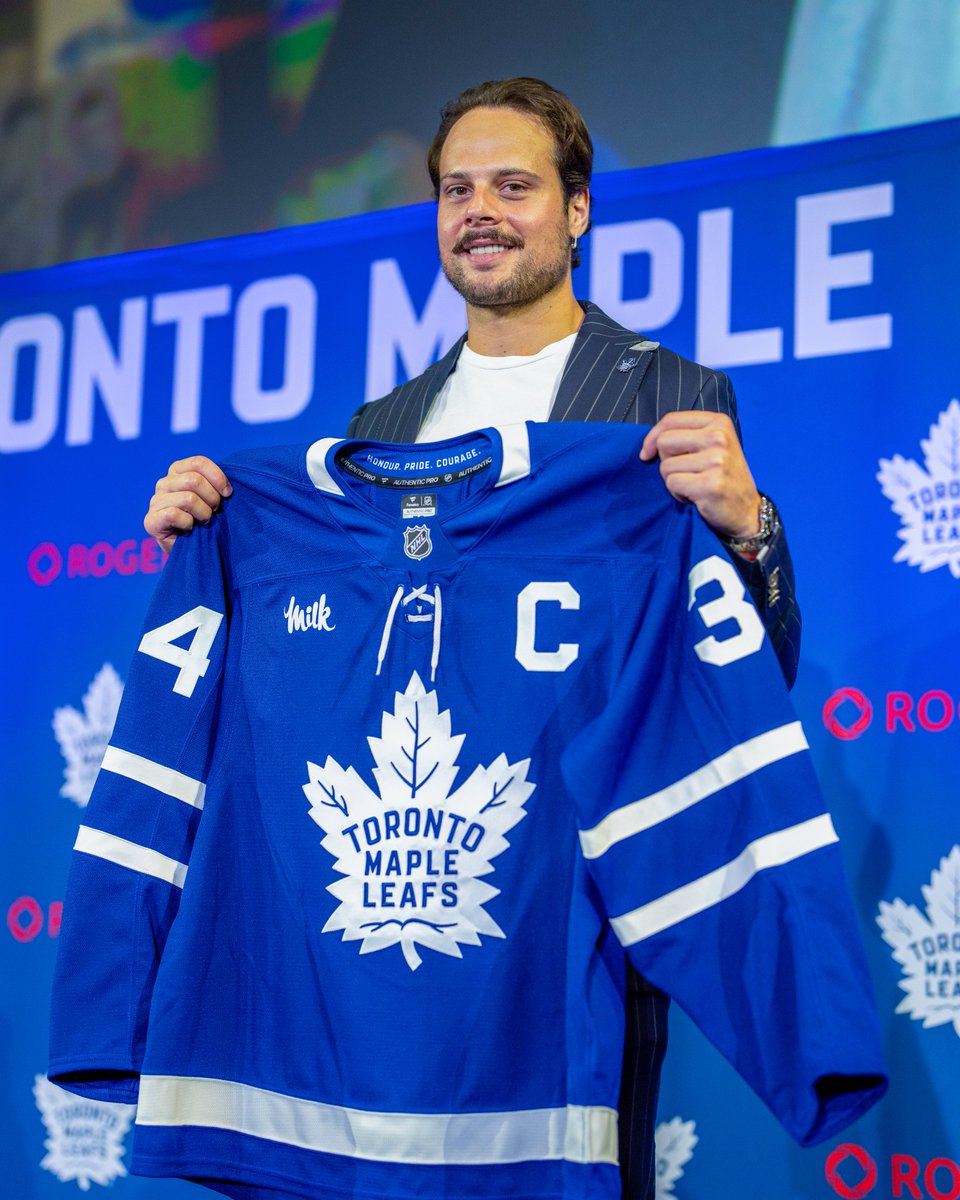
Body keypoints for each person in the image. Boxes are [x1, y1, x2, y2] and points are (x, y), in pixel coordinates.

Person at [142, 77, 800, 1200]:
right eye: (457, 188)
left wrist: (754, 531)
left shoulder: (671, 396)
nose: (480, 210)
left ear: (578, 211)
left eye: (513, 185)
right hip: (390, 895)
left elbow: (745, 670)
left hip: (575, 898)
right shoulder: (379, 431)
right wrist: (205, 522)